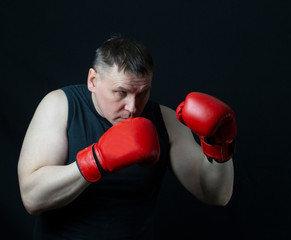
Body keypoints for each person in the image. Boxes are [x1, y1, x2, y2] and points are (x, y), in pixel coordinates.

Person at [17, 36, 236, 239]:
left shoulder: (166, 121)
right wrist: (97, 161)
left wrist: (218, 147)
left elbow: (216, 195)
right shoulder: (60, 106)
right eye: (121, 92)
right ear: (93, 80)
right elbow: (32, 197)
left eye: (142, 93)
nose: (132, 107)